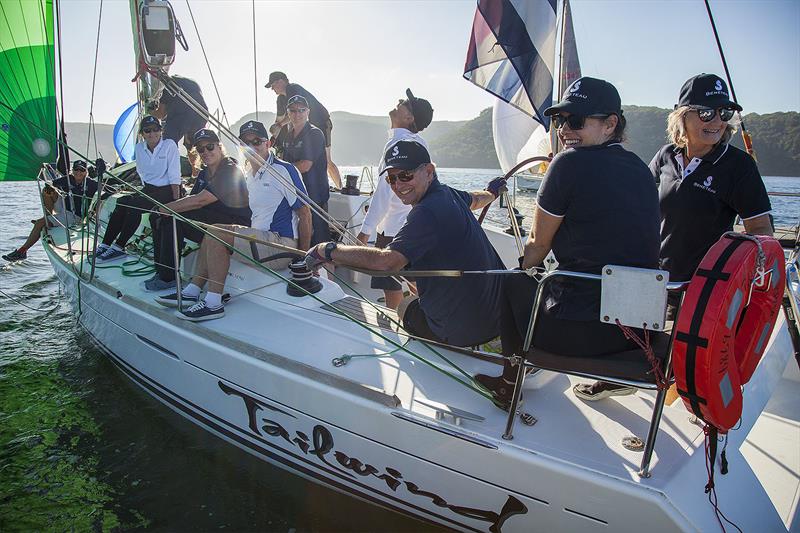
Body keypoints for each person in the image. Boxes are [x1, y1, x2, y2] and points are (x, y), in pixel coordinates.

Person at [572, 74, 774, 402]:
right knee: (628, 336)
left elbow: (761, 233)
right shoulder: (666, 155)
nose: (717, 121)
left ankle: (675, 414)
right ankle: (619, 380)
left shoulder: (738, 167)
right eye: (707, 113)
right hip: (655, 271)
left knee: (680, 361)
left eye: (725, 113)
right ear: (683, 114)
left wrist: (747, 286)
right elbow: (634, 197)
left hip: (702, 286)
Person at [473, 77, 662, 408]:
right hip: (636, 333)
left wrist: (525, 270)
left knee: (515, 282)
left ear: (610, 124)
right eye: (559, 120)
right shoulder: (641, 170)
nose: (563, 130)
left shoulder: (568, 163)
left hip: (579, 337)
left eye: (576, 120)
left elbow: (536, 247)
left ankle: (508, 382)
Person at [305, 140, 507, 348]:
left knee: (404, 306)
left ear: (429, 171)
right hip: (498, 319)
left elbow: (387, 263)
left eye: (405, 175)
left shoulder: (427, 211)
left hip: (464, 332)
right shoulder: (449, 194)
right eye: (392, 179)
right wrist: (492, 192)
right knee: (415, 269)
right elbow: (475, 199)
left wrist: (326, 250)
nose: (398, 185)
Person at [155, 120, 313, 321]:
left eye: (257, 141)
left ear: (268, 143)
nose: (252, 147)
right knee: (211, 230)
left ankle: (213, 303)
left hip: (282, 245)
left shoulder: (282, 170)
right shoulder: (249, 174)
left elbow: (305, 213)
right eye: (246, 143)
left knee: (216, 232)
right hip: (262, 240)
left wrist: (304, 259)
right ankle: (192, 292)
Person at [356, 89, 434, 309]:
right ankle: (423, 321)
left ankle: (394, 330)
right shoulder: (419, 143)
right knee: (412, 279)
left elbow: (384, 193)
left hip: (392, 229)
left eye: (404, 103)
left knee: (390, 283)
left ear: (409, 118)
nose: (398, 102)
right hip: (412, 223)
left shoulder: (396, 145)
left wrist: (364, 233)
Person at [146, 128, 251, 291]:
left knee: (174, 219)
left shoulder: (229, 170)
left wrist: (164, 208)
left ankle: (168, 278)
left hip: (233, 225)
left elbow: (200, 201)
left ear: (219, 147)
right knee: (159, 217)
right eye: (201, 149)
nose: (205, 152)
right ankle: (161, 270)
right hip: (212, 219)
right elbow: (191, 199)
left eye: (210, 147)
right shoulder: (204, 173)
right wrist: (159, 211)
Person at [94, 116, 181, 263]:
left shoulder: (169, 145)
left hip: (168, 191)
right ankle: (105, 243)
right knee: (121, 202)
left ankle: (119, 247)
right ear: (142, 133)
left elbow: (174, 174)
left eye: (156, 129)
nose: (152, 133)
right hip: (149, 189)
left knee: (134, 206)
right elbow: (142, 173)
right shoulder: (139, 148)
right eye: (147, 130)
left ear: (161, 131)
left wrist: (176, 201)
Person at [4, 160, 99, 261]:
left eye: (82, 170)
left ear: (86, 172)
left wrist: (93, 214)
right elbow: (52, 183)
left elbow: (105, 193)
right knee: (47, 191)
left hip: (75, 216)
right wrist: (49, 186)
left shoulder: (91, 184)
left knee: (39, 224)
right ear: (72, 170)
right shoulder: (69, 179)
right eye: (76, 169)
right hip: (64, 208)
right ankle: (48, 218)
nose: (78, 172)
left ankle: (22, 251)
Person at [265, 71, 342, 188]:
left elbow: (290, 116)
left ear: (281, 81)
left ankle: (340, 187)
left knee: (326, 160)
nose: (272, 89)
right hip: (303, 129)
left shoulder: (293, 89)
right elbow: (279, 119)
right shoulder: (281, 99)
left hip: (321, 123)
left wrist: (279, 125)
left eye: (273, 85)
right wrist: (274, 136)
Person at [280, 95, 332, 247]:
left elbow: (305, 165)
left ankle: (325, 270)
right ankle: (302, 264)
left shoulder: (315, 134)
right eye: (293, 110)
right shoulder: (288, 136)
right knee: (301, 235)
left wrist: (277, 171)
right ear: (288, 113)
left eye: (302, 110)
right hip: (296, 193)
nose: (297, 114)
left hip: (314, 194)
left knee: (320, 240)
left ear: (308, 112)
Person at [151, 74, 208, 172]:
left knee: (169, 143)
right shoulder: (183, 82)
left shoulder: (162, 89)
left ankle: (171, 175)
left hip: (180, 112)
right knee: (197, 144)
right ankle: (198, 172)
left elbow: (160, 114)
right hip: (202, 113)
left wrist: (149, 110)